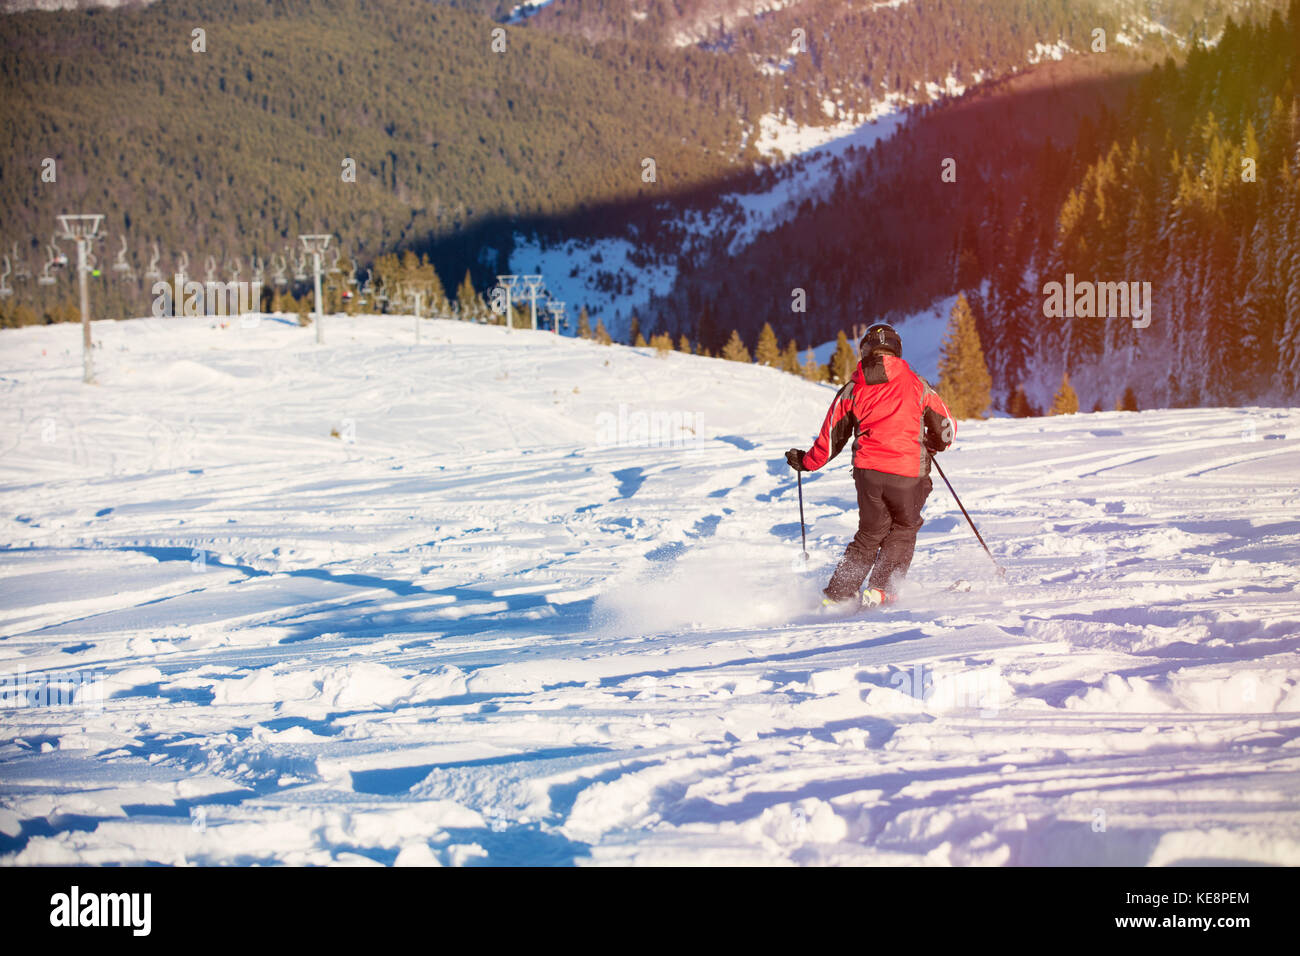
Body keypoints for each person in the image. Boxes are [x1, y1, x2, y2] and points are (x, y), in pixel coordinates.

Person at [786, 323, 955, 609]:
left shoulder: (853, 388)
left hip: (869, 474)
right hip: (909, 473)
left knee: (869, 534)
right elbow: (946, 429)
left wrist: (806, 462)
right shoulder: (917, 384)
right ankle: (881, 590)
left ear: (866, 351)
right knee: (904, 526)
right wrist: (933, 444)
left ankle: (838, 595)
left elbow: (831, 437)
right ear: (896, 350)